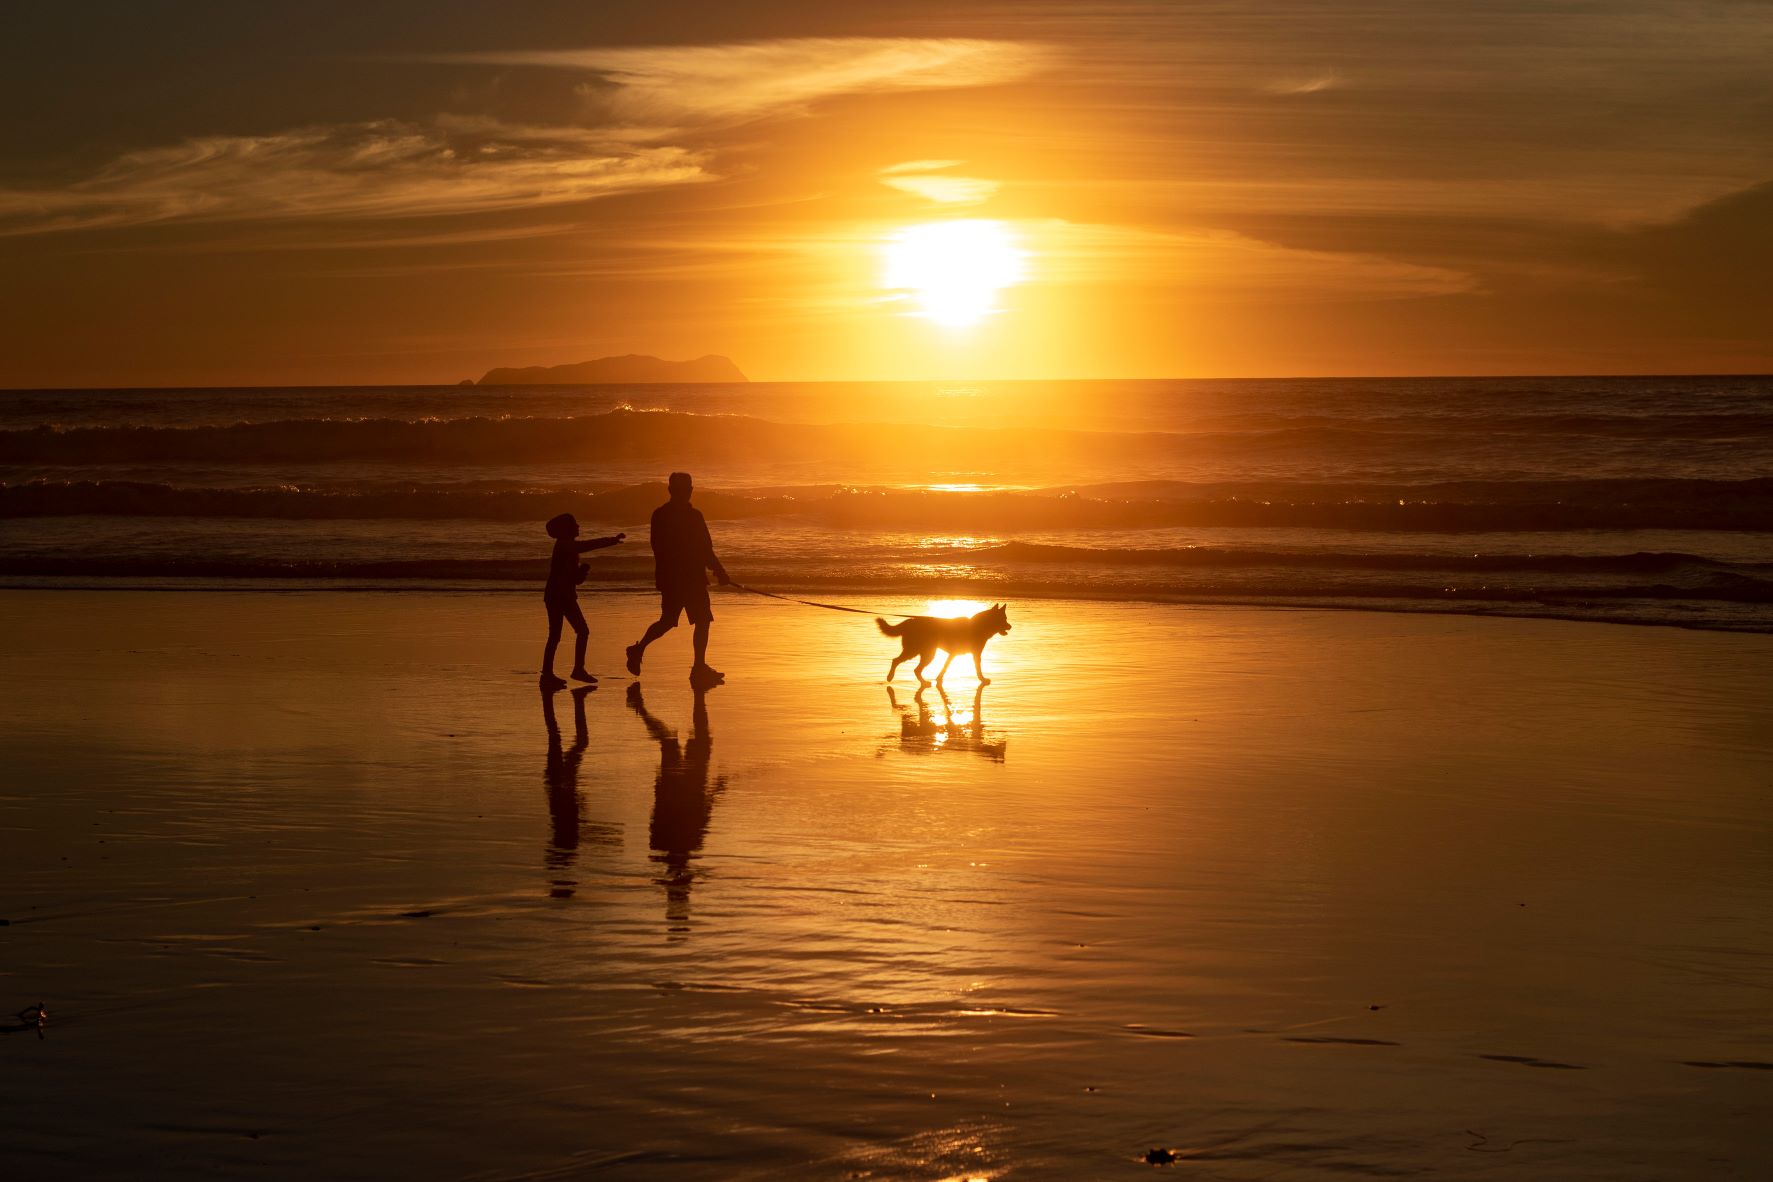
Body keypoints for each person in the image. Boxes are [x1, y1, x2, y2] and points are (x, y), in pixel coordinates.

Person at [625, 472, 730, 686]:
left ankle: (694, 665)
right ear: (673, 491)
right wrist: (718, 570)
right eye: (684, 489)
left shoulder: (665, 514)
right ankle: (695, 667)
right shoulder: (681, 516)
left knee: (693, 621)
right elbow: (701, 549)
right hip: (683, 578)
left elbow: (702, 548)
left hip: (679, 578)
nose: (687, 493)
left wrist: (717, 569)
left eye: (688, 489)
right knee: (677, 621)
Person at [540, 513, 624, 689]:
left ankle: (556, 673)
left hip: (561, 596)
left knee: (562, 635)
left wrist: (583, 571)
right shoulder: (564, 545)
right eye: (575, 525)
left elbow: (575, 580)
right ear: (567, 529)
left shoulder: (567, 547)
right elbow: (587, 546)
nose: (578, 527)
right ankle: (569, 671)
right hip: (559, 597)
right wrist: (611, 540)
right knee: (574, 632)